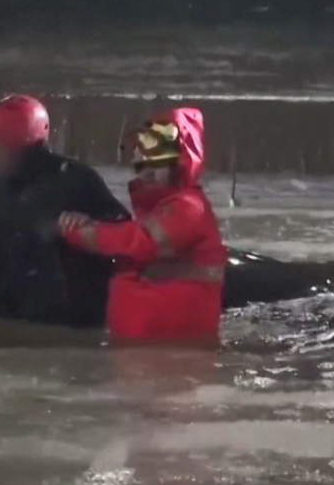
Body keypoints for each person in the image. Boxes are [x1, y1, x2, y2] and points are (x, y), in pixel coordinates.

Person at [0, 94, 131, 328]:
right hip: (1, 316)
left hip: (64, 323)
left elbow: (123, 229)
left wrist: (90, 224)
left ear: (28, 151)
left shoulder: (74, 180)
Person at [57, 107, 227, 345]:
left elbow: (143, 241)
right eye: (141, 166)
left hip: (176, 358)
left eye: (155, 165)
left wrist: (83, 234)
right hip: (146, 355)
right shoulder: (159, 210)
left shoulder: (190, 207)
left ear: (178, 164)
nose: (146, 173)